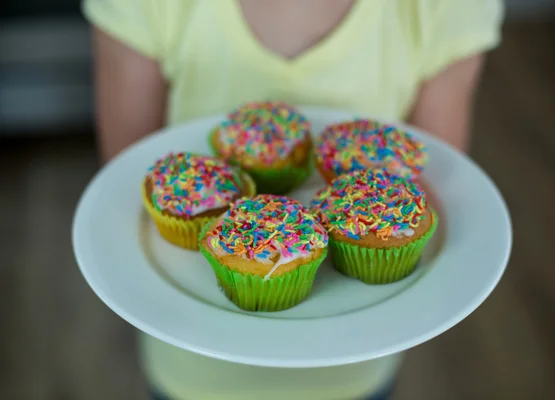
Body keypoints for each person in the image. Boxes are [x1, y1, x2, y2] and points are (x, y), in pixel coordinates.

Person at [83, 1, 503, 399]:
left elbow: (431, 184)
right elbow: (128, 175)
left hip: (357, 368)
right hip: (190, 368)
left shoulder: (446, 8)